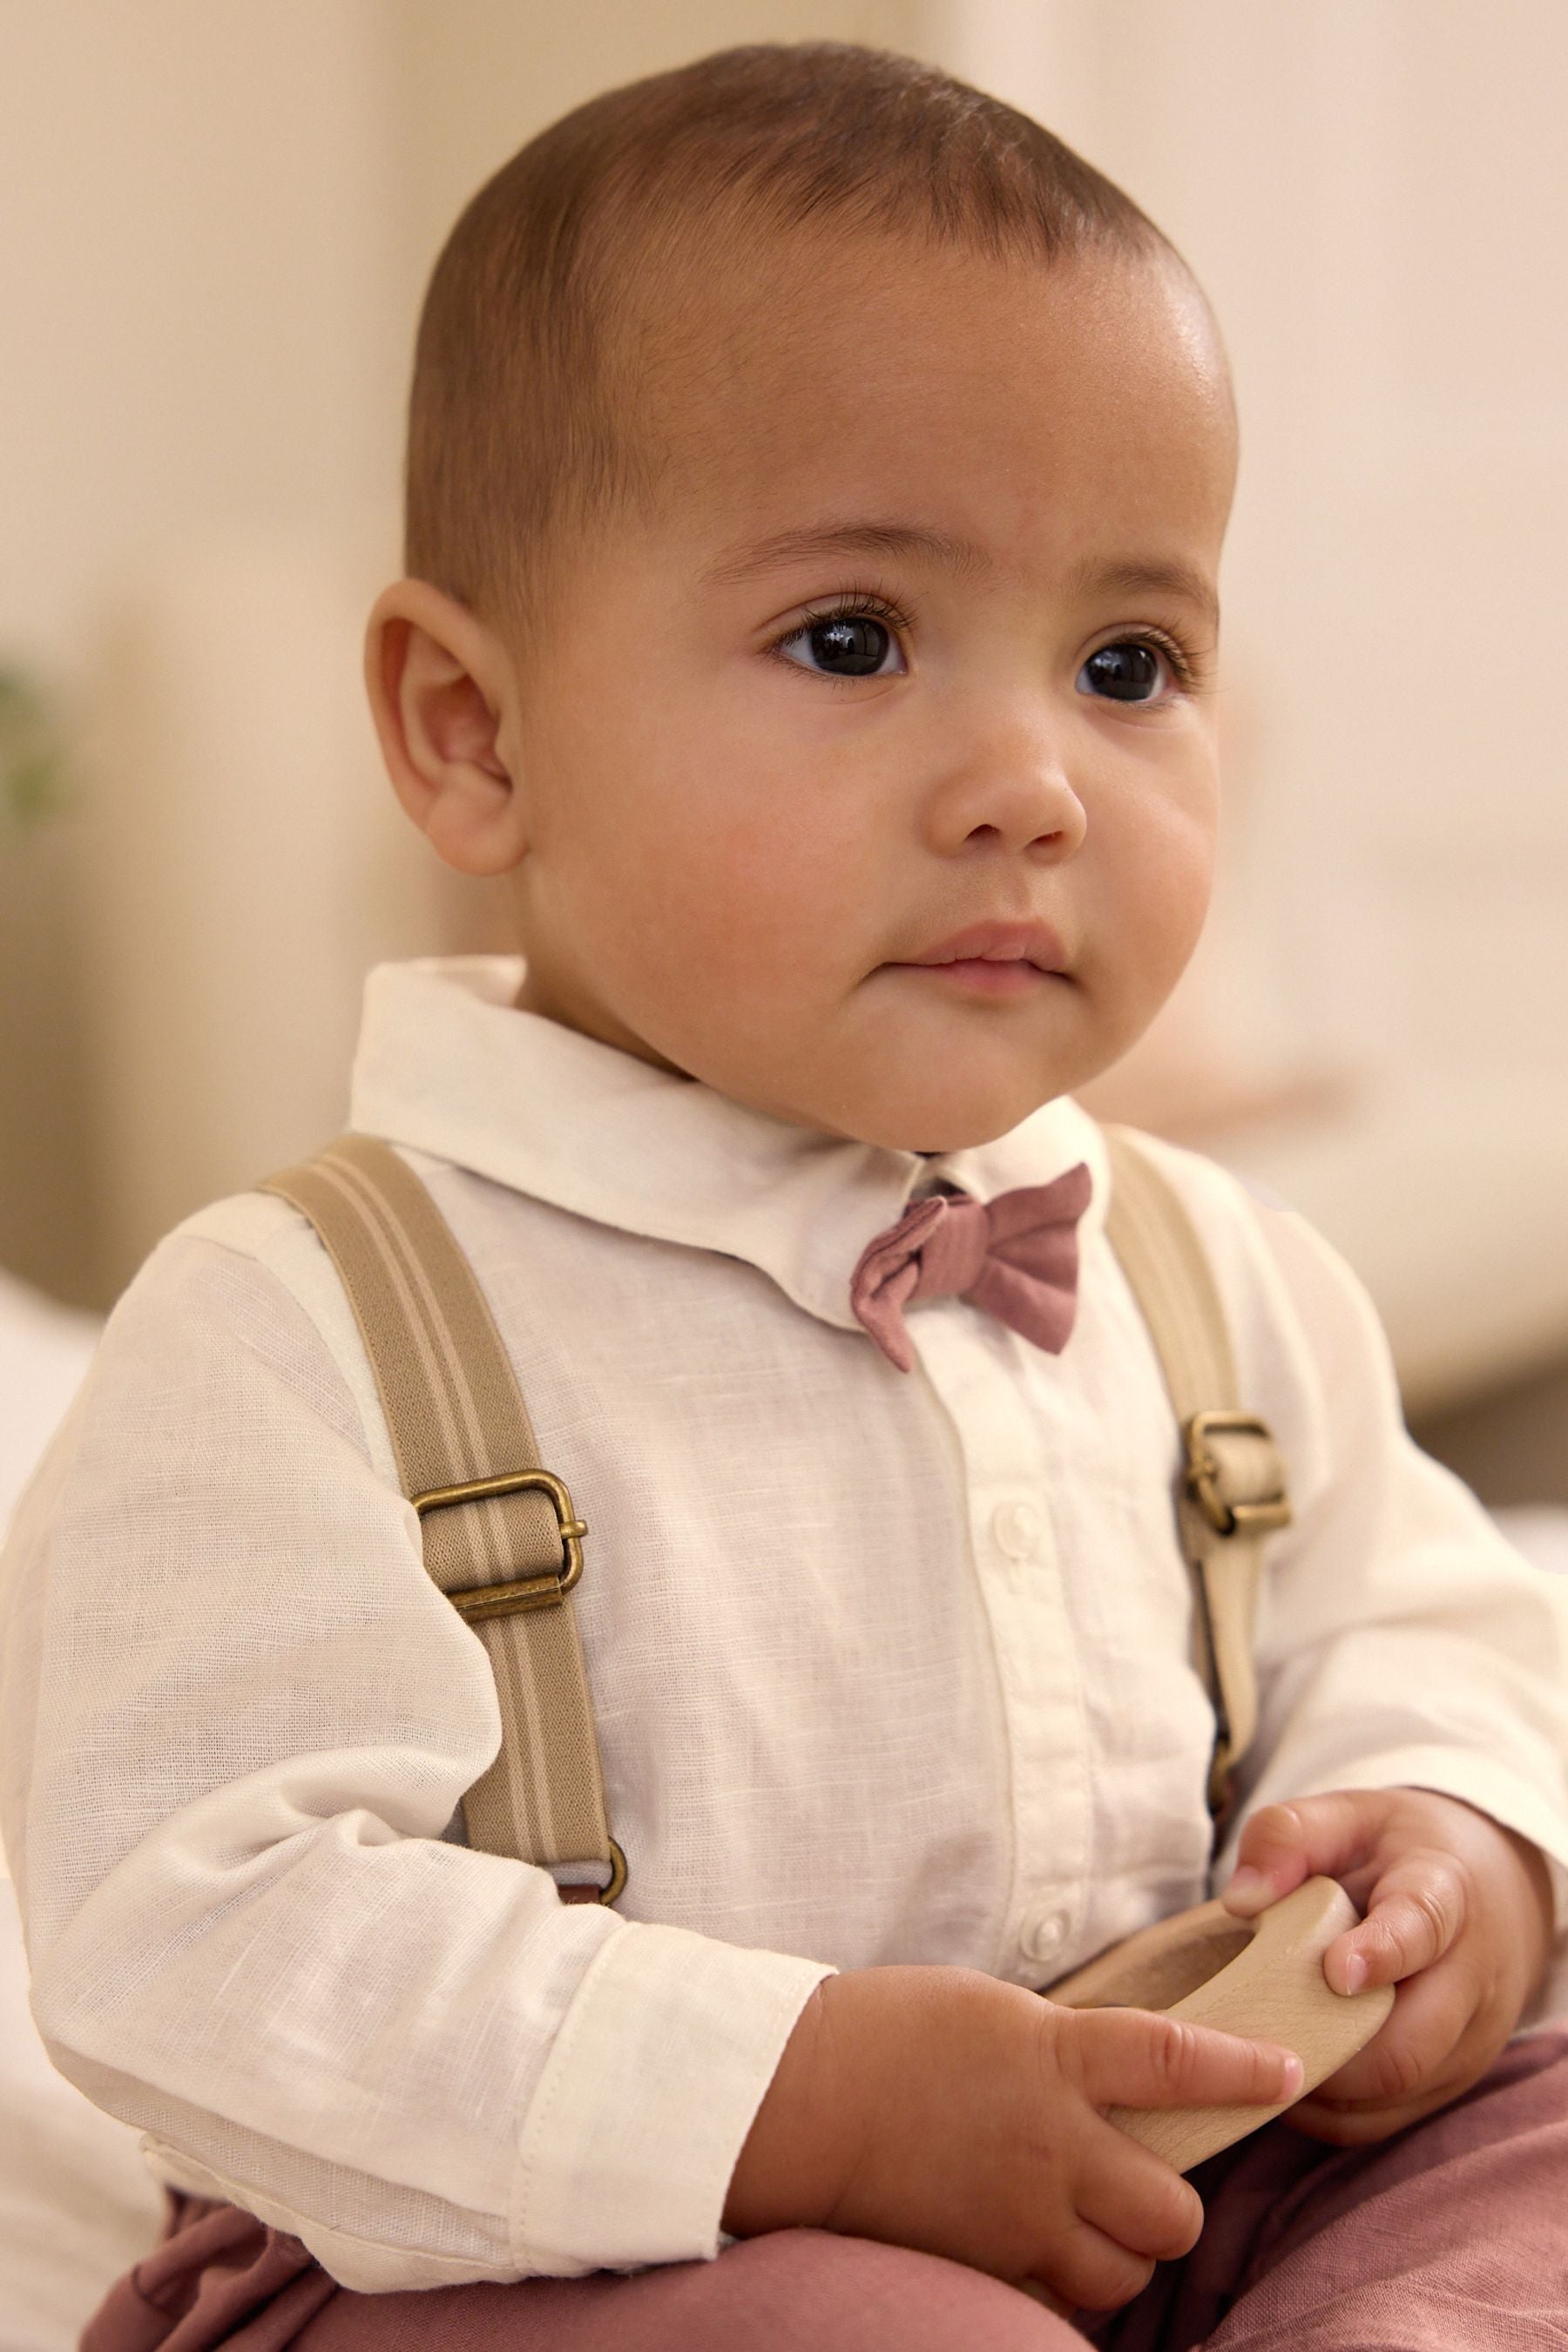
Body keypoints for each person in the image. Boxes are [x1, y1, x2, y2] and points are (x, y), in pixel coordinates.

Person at [3, 43, 1565, 2352]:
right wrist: (794, 2098)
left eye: (1131, 662)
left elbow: (1436, 1627)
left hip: (1196, 2177)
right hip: (548, 2259)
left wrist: (1444, 1847)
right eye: (855, 638)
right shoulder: (307, 1323)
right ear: (473, 730)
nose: (1032, 779)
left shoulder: (1212, 1271)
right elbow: (195, 1927)